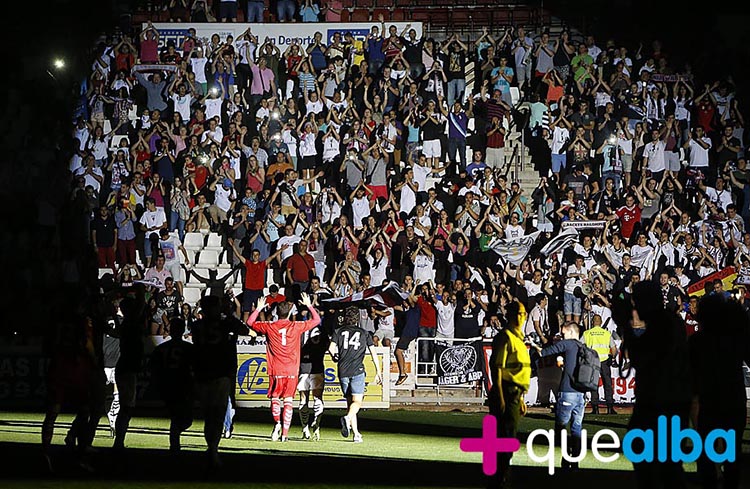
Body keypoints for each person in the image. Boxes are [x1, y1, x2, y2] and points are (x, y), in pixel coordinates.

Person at [690, 294, 750, 489]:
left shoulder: (698, 341)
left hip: (711, 402)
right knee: (732, 454)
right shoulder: (734, 340)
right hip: (733, 401)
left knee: (707, 454)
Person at [246, 293, 321, 442]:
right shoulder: (296, 326)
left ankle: (278, 424)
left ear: (276, 313)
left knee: (275, 399)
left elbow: (249, 322)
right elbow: (317, 320)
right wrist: (309, 305)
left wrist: (259, 309)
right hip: (292, 370)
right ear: (289, 312)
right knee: (288, 401)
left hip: (276, 369)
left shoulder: (269, 326)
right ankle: (285, 435)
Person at [191, 295, 249, 468]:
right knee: (216, 414)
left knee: (210, 414)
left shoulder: (197, 325)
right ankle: (213, 449)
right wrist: (229, 314)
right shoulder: (225, 324)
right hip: (220, 372)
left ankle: (211, 448)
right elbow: (244, 330)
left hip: (203, 372)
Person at [487, 300, 531, 489]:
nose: (521, 317)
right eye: (518, 313)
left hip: (515, 393)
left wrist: (520, 398)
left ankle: (502, 473)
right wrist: (500, 396)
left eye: (523, 313)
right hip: (507, 391)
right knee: (505, 436)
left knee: (508, 435)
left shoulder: (518, 339)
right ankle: (500, 476)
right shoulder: (506, 337)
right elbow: (497, 368)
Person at [531, 321, 586, 471]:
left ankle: (566, 457)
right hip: (581, 394)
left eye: (563, 333)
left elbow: (544, 352)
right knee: (576, 429)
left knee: (560, 428)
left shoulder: (567, 344)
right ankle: (575, 462)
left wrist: (533, 345)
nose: (561, 336)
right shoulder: (583, 347)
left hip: (567, 392)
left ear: (571, 332)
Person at [329, 306, 383, 443]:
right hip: (357, 370)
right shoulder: (364, 333)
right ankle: (347, 419)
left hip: (342, 370)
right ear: (357, 319)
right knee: (357, 402)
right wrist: (378, 371)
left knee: (350, 404)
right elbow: (373, 353)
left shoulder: (338, 331)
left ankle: (356, 434)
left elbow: (331, 349)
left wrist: (335, 357)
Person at [149, 317, 194, 452]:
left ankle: (174, 443)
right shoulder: (188, 348)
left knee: (178, 417)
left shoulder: (161, 348)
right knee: (183, 418)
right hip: (181, 385)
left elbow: (152, 368)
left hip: (168, 385)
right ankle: (174, 445)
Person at [297, 313, 329, 441]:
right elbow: (328, 346)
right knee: (318, 398)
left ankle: (305, 428)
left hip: (303, 367)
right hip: (317, 367)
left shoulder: (302, 329)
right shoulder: (322, 331)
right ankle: (317, 424)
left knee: (303, 400)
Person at [582, 314, 618, 414]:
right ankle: (610, 408)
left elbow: (581, 347)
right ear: (601, 322)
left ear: (592, 322)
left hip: (592, 361)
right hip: (605, 361)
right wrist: (613, 357)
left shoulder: (587, 333)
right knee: (608, 384)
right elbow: (614, 349)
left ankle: (595, 408)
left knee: (594, 385)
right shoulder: (606, 334)